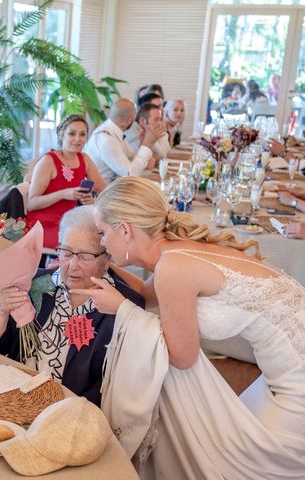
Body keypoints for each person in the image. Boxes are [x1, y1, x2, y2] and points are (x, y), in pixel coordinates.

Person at [73, 177, 305, 477]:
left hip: (296, 379)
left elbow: (183, 357)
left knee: (240, 465)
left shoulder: (173, 267)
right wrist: (96, 264)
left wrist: (121, 308)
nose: (102, 243)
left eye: (103, 233)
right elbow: (147, 293)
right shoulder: (175, 252)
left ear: (125, 230)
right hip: (282, 367)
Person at [0, 206, 143, 406]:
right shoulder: (32, 283)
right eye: (66, 252)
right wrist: (1, 311)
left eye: (85, 256)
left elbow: (114, 385)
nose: (73, 265)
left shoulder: (124, 307)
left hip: (74, 413)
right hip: (15, 399)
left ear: (107, 257)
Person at [26, 114, 106, 249]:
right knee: (89, 244)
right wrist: (63, 194)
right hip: (44, 225)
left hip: (69, 223)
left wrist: (93, 201)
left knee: (105, 239)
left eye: (82, 134)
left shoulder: (84, 159)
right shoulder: (48, 161)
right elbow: (31, 204)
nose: (77, 139)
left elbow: (103, 189)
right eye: (72, 134)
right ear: (62, 135)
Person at [88, 98, 165, 184]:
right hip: (103, 194)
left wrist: (144, 145)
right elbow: (129, 174)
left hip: (115, 189)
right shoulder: (107, 139)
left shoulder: (116, 133)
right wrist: (147, 145)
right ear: (129, 119)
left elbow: (148, 164)